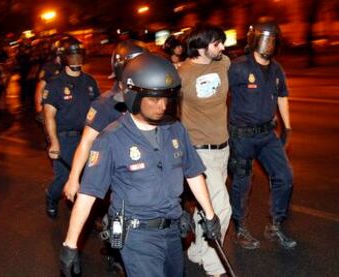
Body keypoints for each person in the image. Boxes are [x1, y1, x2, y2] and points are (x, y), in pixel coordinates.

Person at [59, 52, 221, 277]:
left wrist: (211, 215)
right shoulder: (110, 139)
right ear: (133, 96)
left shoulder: (175, 129)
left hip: (173, 230)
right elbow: (88, 195)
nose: (162, 106)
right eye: (153, 99)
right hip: (137, 237)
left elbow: (193, 174)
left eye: (166, 98)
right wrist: (70, 245)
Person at [228, 20, 297, 249]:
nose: (268, 45)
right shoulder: (238, 67)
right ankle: (240, 228)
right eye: (264, 39)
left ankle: (275, 225)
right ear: (254, 40)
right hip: (242, 137)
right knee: (242, 183)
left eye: (272, 40)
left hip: (268, 135)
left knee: (285, 177)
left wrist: (287, 128)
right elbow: (218, 97)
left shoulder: (277, 69)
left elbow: (282, 97)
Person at [63, 39, 147, 202]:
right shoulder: (105, 104)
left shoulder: (150, 98)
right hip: (121, 177)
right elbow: (86, 142)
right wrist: (73, 179)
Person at [179, 25, 232, 277]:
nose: (223, 47)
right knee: (221, 208)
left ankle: (197, 251)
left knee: (205, 205)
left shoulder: (224, 63)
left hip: (223, 148)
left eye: (222, 42)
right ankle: (215, 266)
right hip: (198, 152)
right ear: (201, 47)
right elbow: (164, 108)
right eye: (217, 43)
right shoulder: (182, 74)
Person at [43, 37, 100, 219]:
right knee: (63, 179)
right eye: (72, 55)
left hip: (87, 137)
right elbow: (49, 116)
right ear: (64, 58)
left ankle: (87, 213)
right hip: (64, 139)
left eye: (79, 55)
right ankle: (51, 197)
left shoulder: (90, 81)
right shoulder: (55, 84)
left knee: (89, 176)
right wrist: (54, 143)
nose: (76, 59)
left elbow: (99, 109)